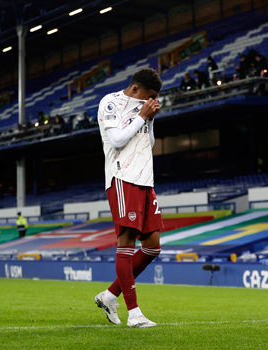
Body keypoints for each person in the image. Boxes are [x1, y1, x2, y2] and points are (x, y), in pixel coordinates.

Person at [94, 68, 163, 328]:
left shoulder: (144, 110)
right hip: (124, 178)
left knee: (153, 247)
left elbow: (149, 143)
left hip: (146, 181)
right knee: (126, 243)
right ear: (135, 89)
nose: (151, 101)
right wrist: (142, 115)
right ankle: (134, 314)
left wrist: (150, 119)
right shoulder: (111, 103)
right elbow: (116, 140)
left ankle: (110, 295)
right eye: (149, 96)